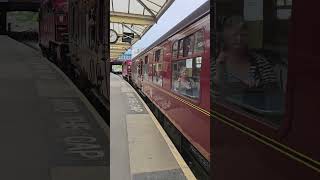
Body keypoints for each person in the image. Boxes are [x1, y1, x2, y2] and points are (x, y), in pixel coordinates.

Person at [212, 16, 277, 93]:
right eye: (234, 35)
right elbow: (210, 97)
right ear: (226, 37)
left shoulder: (260, 62)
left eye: (243, 35)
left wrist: (259, 87)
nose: (239, 39)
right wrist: (219, 75)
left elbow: (273, 91)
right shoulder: (214, 63)